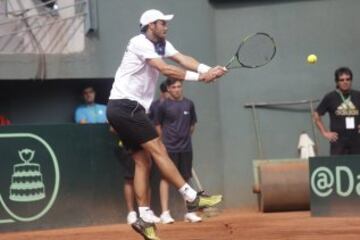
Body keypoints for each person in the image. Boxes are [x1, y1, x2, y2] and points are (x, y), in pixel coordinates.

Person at [106, 9, 226, 240]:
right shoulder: (139, 42)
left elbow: (182, 59)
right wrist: (200, 78)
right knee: (159, 149)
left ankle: (143, 218)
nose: (166, 27)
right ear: (151, 25)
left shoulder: (161, 44)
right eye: (162, 23)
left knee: (143, 161)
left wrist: (206, 69)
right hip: (125, 106)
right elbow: (165, 69)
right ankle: (191, 196)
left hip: (125, 108)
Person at [155, 78, 201, 224]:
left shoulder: (189, 104)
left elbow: (192, 125)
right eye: (173, 87)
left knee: (185, 179)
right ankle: (164, 213)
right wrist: (162, 143)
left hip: (186, 148)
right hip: (169, 148)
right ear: (168, 89)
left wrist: (185, 138)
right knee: (166, 179)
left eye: (179, 86)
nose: (177, 89)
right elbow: (157, 126)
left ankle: (189, 213)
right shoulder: (162, 106)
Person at [313, 67, 360, 155]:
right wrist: (325, 133)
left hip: (357, 141)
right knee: (339, 166)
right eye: (341, 80)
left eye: (348, 79)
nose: (345, 82)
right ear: (337, 82)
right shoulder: (330, 97)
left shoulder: (358, 95)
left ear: (351, 80)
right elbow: (316, 115)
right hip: (338, 142)